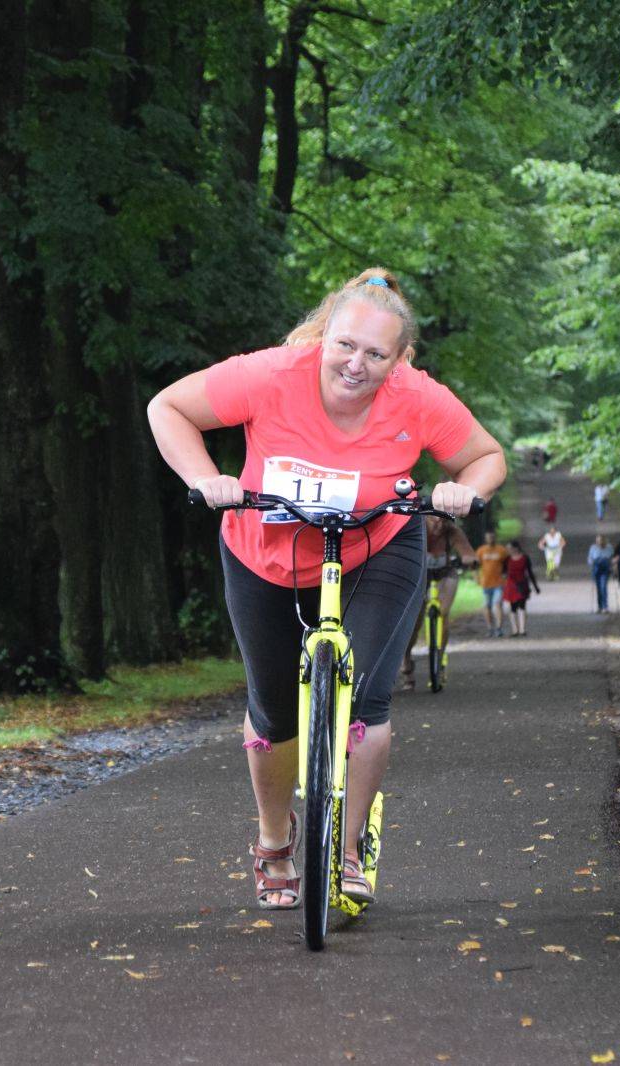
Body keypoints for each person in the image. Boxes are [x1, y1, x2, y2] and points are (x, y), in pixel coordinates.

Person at [146, 269, 505, 910]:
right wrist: (205, 478)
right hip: (265, 553)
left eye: (376, 354)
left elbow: (487, 457)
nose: (356, 364)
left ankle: (348, 850)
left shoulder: (418, 397)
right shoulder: (269, 374)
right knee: (274, 710)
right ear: (325, 337)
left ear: (399, 359)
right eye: (345, 345)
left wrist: (463, 490)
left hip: (376, 548)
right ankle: (274, 841)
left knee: (365, 698)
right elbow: (166, 408)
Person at [401, 513, 478, 690]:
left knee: (443, 614)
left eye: (442, 520)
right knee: (414, 621)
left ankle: (439, 659)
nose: (438, 524)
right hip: (421, 574)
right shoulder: (417, 529)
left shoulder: (452, 532)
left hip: (445, 573)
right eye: (433, 520)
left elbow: (466, 551)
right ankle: (406, 659)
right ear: (425, 518)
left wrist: (470, 559)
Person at [501, 540, 541, 637]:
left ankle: (522, 629)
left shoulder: (525, 558)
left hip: (522, 584)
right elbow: (503, 572)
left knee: (522, 605)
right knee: (513, 607)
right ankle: (515, 630)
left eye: (509, 548)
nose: (508, 550)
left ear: (516, 548)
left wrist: (535, 587)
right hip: (511, 585)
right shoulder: (507, 559)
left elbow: (530, 572)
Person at [475, 530, 510, 638]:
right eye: (488, 537)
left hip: (499, 583)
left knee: (497, 604)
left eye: (492, 537)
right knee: (487, 606)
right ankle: (490, 628)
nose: (490, 539)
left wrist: (506, 575)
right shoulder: (481, 551)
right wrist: (476, 577)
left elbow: (508, 564)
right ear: (486, 539)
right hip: (486, 583)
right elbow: (475, 565)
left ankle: (499, 628)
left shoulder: (501, 550)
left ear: (495, 538)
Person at [588, 533, 613, 613]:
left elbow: (612, 557)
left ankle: (605, 606)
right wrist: (591, 563)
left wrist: (613, 564)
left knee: (603, 587)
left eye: (601, 541)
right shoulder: (593, 548)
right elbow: (590, 558)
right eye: (598, 541)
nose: (600, 542)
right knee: (598, 588)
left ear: (604, 541)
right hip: (596, 569)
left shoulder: (609, 547)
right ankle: (599, 606)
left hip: (605, 570)